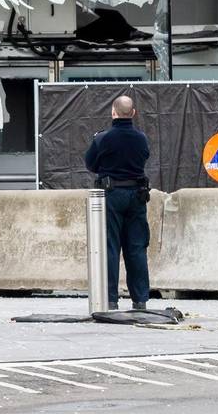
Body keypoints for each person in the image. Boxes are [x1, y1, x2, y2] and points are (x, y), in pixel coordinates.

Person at [84, 95, 151, 311]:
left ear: (113, 112)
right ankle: (140, 299)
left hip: (111, 195)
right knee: (137, 247)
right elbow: (144, 158)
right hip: (137, 195)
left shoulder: (103, 138)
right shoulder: (141, 138)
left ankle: (110, 299)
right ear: (133, 113)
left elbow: (90, 163)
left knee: (110, 247)